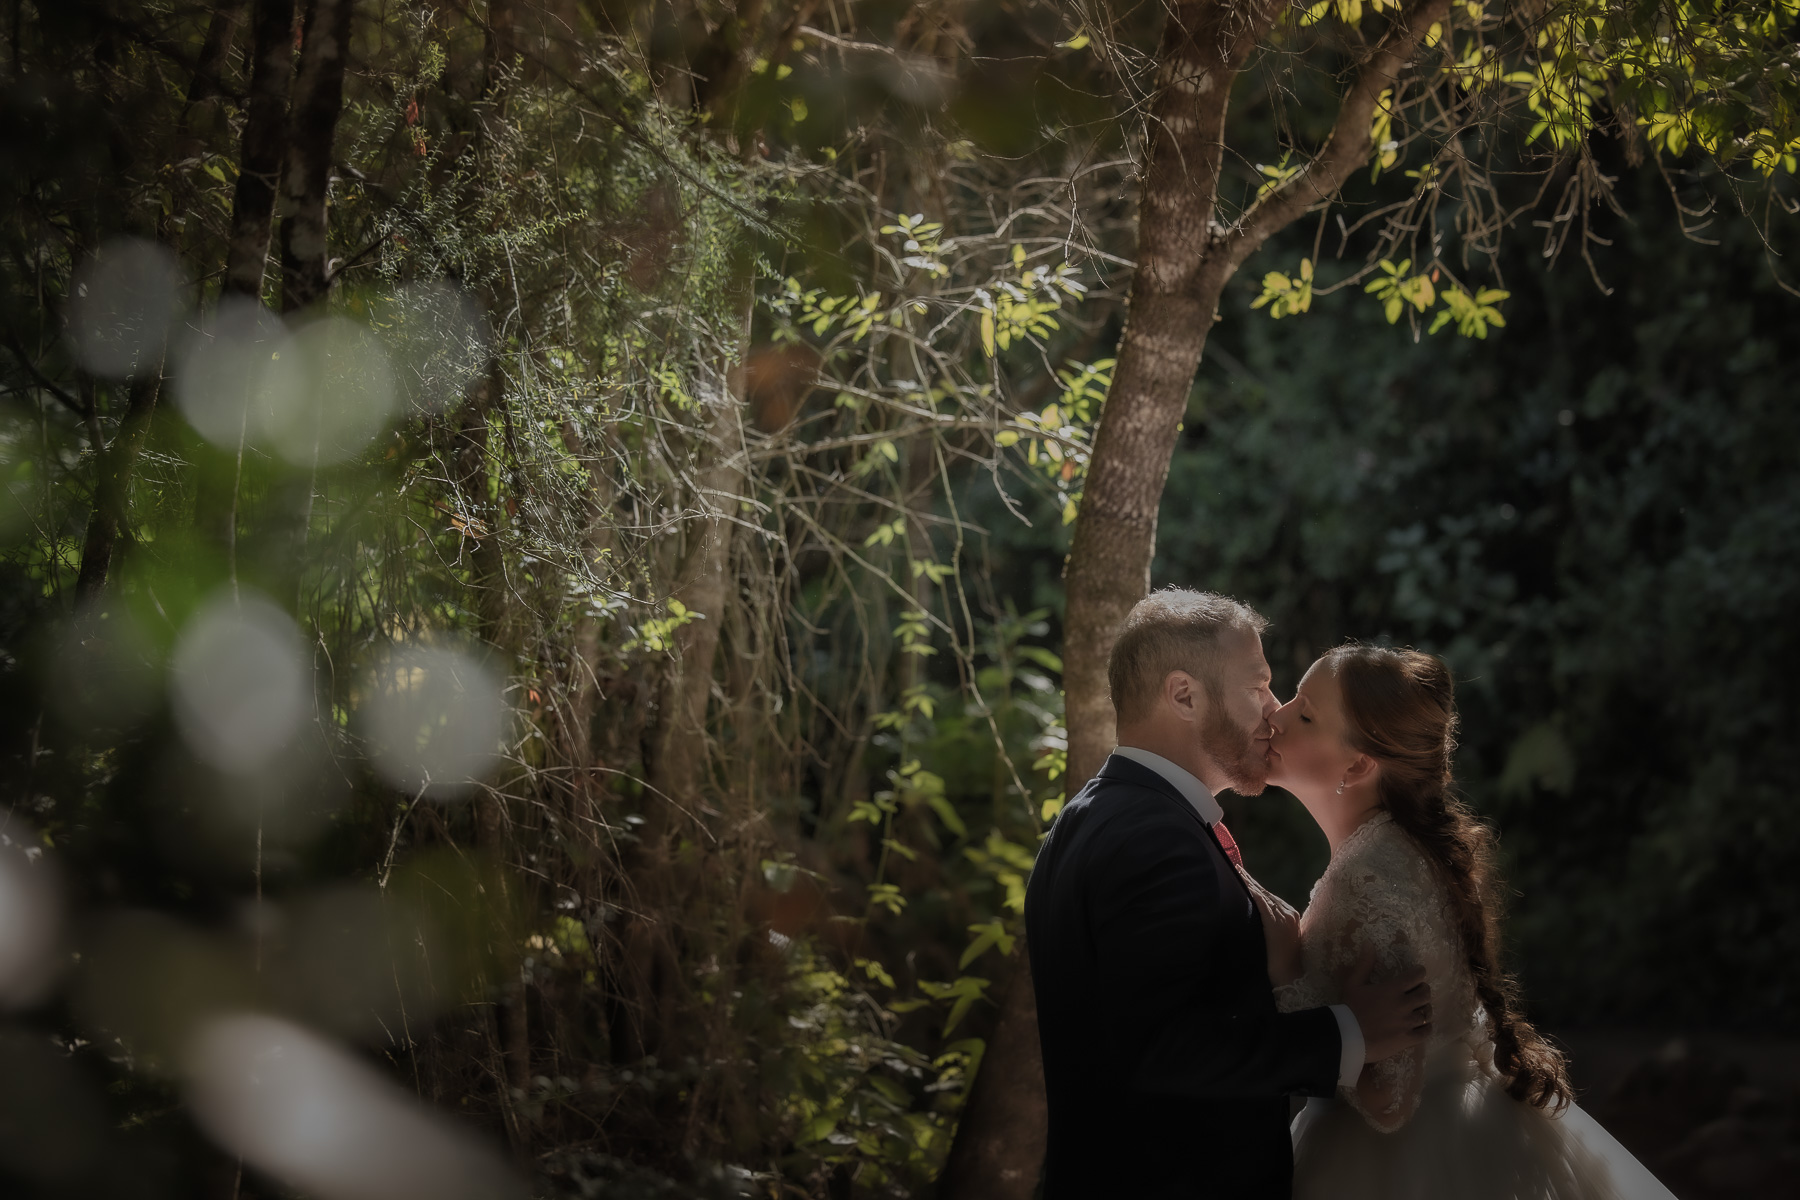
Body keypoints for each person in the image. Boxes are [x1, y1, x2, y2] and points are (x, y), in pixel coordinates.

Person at [1024, 590, 1433, 1199]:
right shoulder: (1153, 840)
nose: (1274, 711)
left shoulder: (1093, 818)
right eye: (1259, 685)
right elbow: (1164, 1048)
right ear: (1184, 695)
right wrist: (1347, 1034)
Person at [1260, 643, 1677, 1200]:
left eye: (1304, 713)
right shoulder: (1398, 851)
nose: (1275, 714)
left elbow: (1388, 1099)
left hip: (1400, 1164)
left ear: (1358, 765)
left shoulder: (1369, 877)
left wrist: (1285, 968)